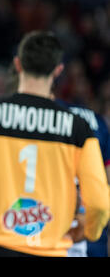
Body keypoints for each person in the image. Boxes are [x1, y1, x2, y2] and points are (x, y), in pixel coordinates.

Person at [0, 30, 109, 257]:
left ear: (18, 65)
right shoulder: (79, 128)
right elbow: (99, 204)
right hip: (48, 248)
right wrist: (88, 231)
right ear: (57, 71)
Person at [55, 98, 110, 257]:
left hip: (53, 223)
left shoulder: (51, 113)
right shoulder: (98, 121)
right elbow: (107, 177)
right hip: (90, 226)